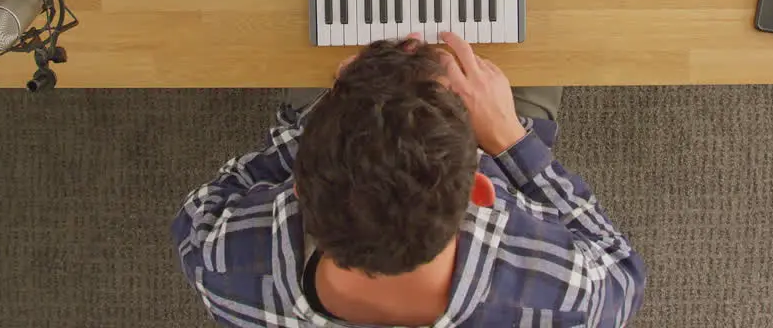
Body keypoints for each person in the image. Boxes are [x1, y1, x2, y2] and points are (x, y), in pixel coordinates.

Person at [172, 32, 645, 327]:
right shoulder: (566, 299)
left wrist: (335, 117)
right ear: (482, 190)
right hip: (501, 138)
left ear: (299, 186)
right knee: (540, 17)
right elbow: (622, 274)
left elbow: (217, 196)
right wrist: (507, 136)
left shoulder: (221, 261)